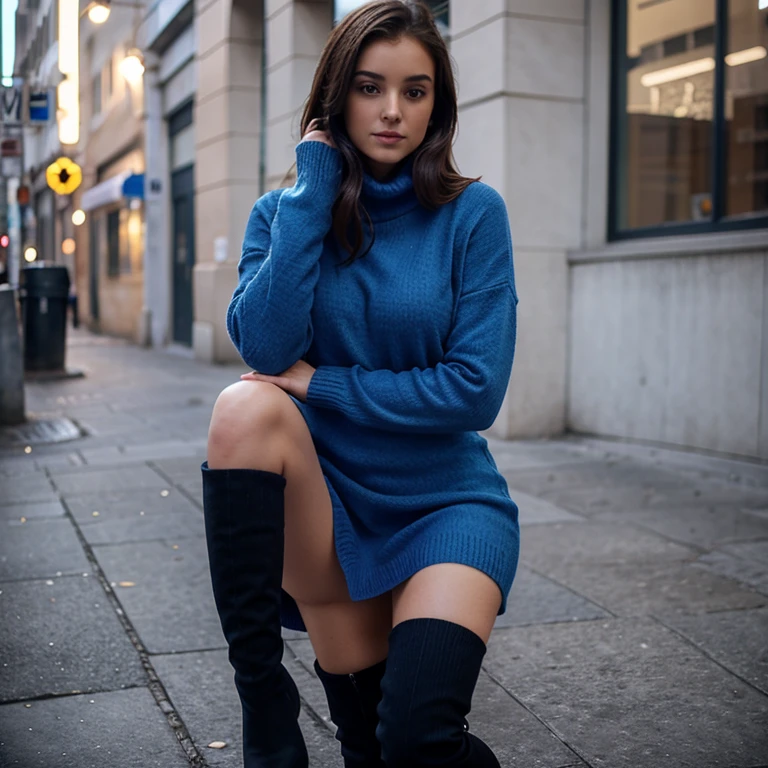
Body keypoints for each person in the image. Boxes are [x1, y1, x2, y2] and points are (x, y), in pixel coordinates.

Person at [201, 1, 519, 766]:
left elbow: (474, 390)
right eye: (371, 87)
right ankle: (263, 698)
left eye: (415, 91)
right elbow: (266, 346)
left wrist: (328, 385)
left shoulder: (472, 214)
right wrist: (312, 195)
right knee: (242, 406)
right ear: (337, 94)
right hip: (330, 501)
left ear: (436, 103)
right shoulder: (282, 214)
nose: (392, 111)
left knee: (414, 738)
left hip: (445, 503)